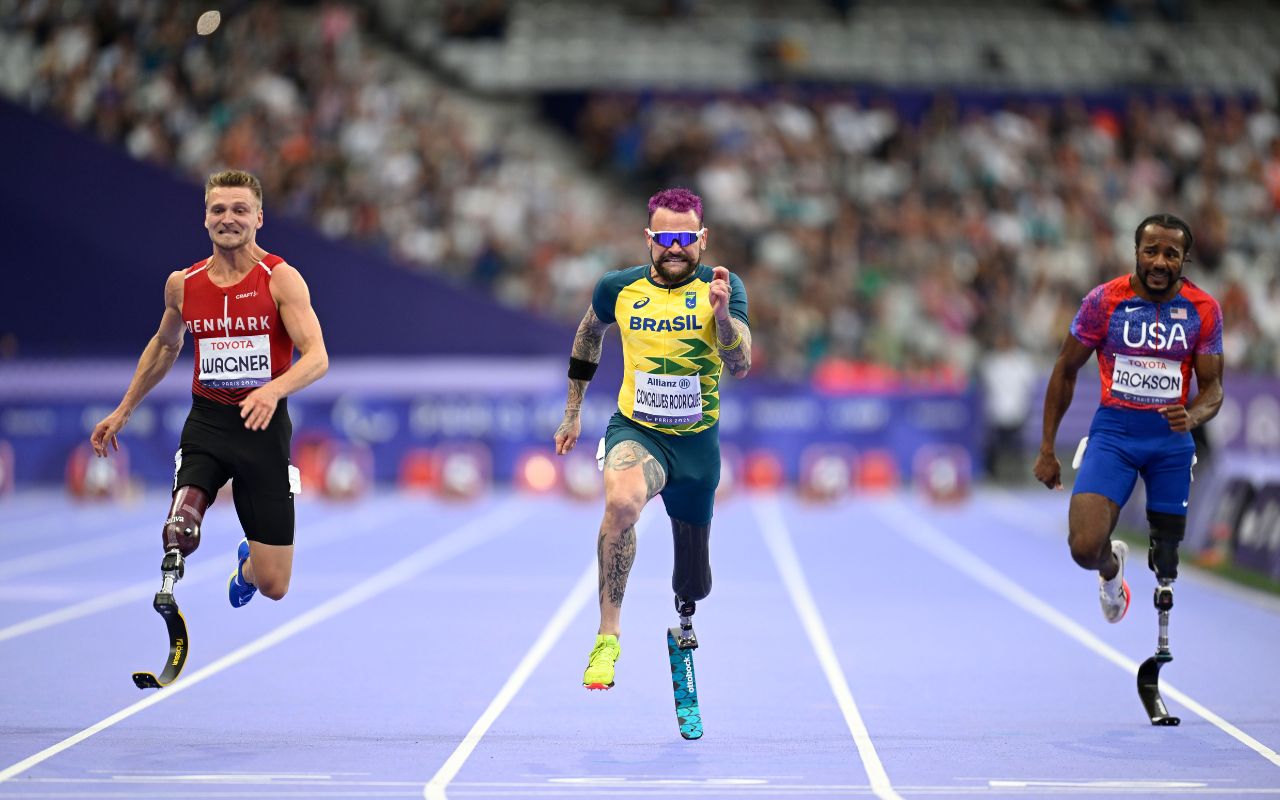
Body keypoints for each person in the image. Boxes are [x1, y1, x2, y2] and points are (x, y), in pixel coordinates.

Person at [91, 169, 328, 608]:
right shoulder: (183, 284)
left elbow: (316, 356)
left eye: (240, 209)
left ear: (259, 217)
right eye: (218, 209)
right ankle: (178, 550)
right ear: (205, 219)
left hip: (263, 429)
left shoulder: (279, 279)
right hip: (208, 424)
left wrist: (273, 391)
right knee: (180, 528)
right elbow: (165, 346)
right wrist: (124, 410)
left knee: (274, 585)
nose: (229, 218)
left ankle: (247, 565)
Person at [553, 187, 751, 690]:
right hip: (636, 430)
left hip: (696, 447)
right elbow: (587, 336)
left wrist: (723, 315)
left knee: (695, 581)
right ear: (649, 238)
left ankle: (684, 618)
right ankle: (607, 638)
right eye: (666, 238)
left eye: (686, 238)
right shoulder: (617, 288)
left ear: (703, 240)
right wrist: (573, 411)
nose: (676, 248)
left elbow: (741, 363)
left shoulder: (723, 287)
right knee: (621, 505)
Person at [1034, 213, 1222, 623]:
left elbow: (1213, 389)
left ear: (1184, 260)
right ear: (1136, 252)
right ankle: (1110, 570)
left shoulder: (1203, 309)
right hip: (1115, 434)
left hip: (1170, 440)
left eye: (1171, 254)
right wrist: (1047, 448)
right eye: (1150, 251)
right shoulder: (1104, 301)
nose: (1159, 262)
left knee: (1167, 564)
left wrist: (1190, 417)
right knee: (1084, 547)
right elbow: (1065, 369)